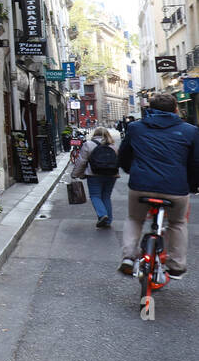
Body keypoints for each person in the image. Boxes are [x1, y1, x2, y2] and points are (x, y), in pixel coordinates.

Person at [117, 93, 199, 277]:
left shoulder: (135, 128)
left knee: (134, 219)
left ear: (149, 109)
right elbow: (195, 163)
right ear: (176, 109)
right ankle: (177, 264)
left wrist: (132, 171)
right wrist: (192, 186)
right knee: (177, 222)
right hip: (175, 188)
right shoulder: (190, 131)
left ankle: (128, 257)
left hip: (141, 185)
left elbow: (123, 155)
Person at [70, 126, 119, 229]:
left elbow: (81, 161)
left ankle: (102, 215)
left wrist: (75, 175)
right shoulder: (113, 146)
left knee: (95, 196)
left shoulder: (88, 145)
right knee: (106, 196)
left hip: (94, 174)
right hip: (111, 175)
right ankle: (108, 220)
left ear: (94, 134)